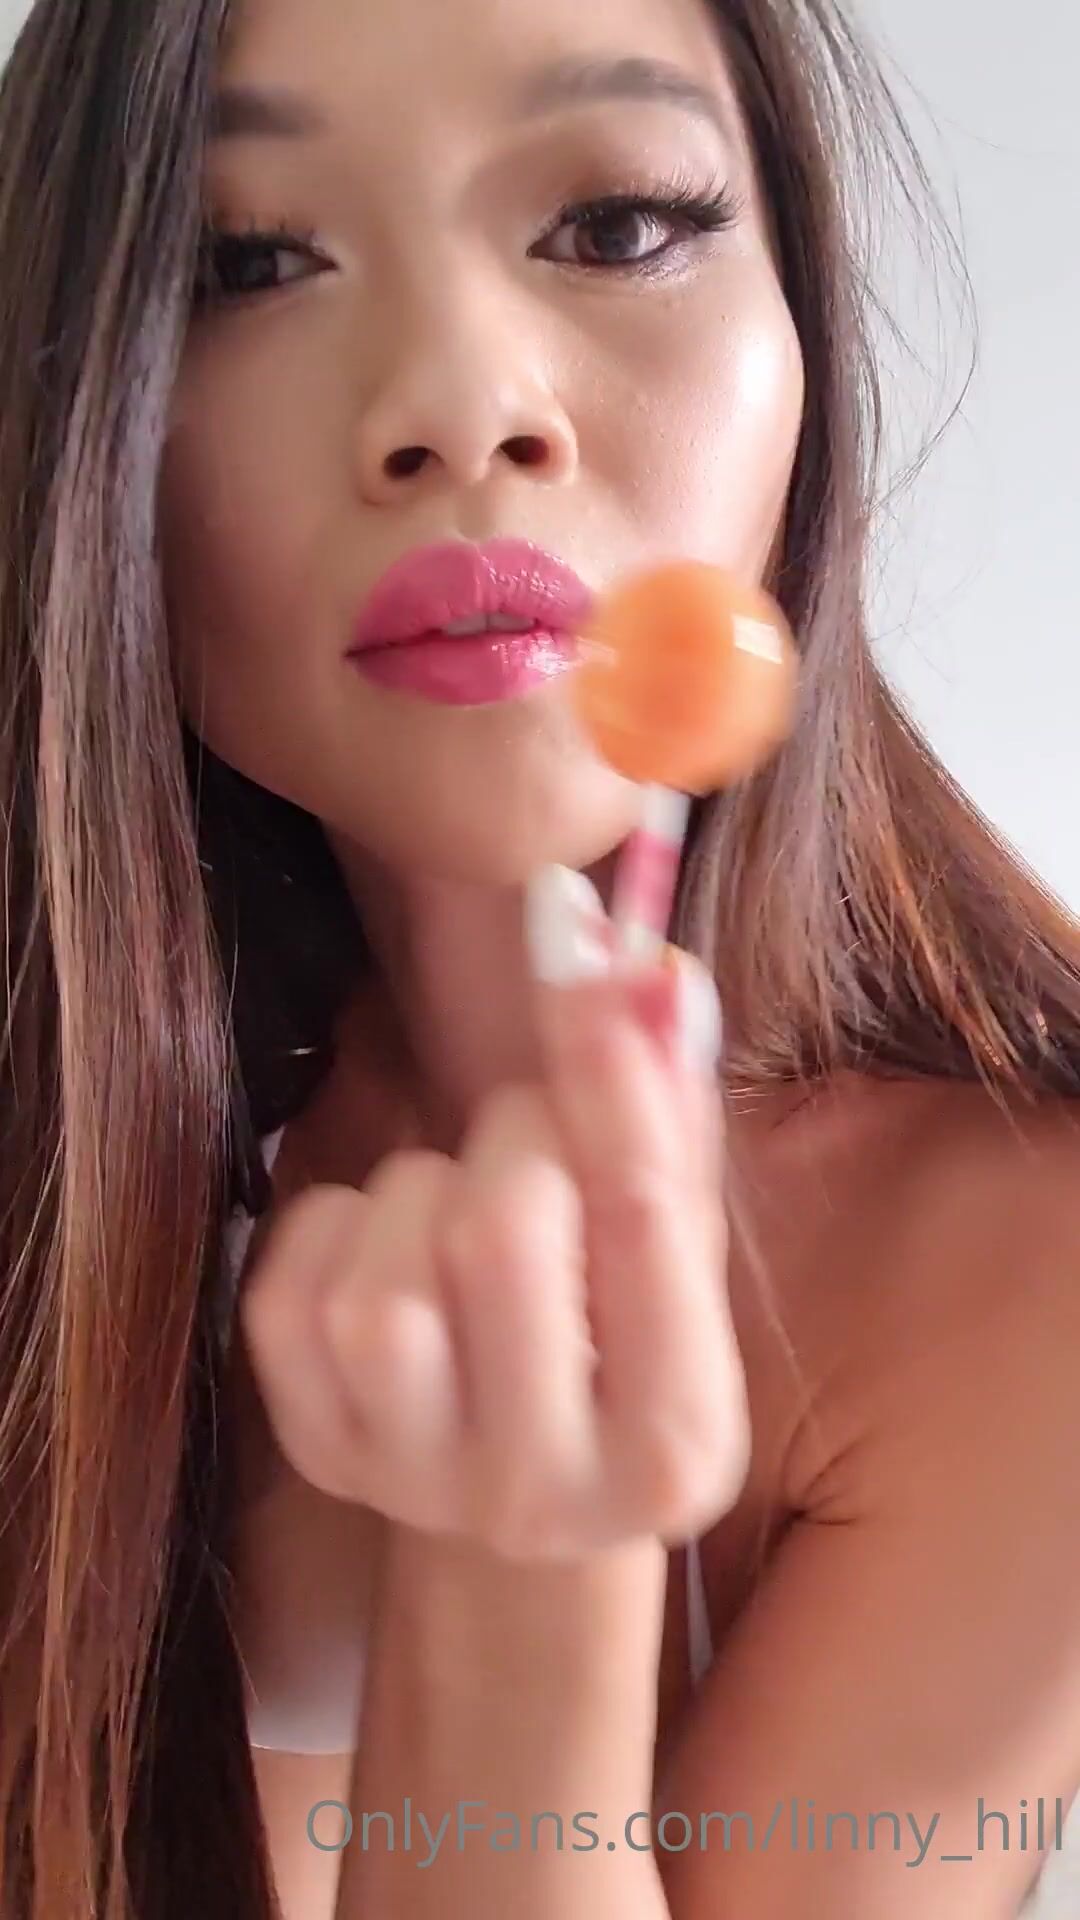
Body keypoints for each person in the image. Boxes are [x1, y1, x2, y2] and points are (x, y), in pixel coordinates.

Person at [1, 0, 1079, 1915]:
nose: (460, 399)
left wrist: (528, 1582)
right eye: (245, 264)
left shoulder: (1028, 1276)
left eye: (618, 224)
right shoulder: (57, 1188)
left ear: (803, 344)